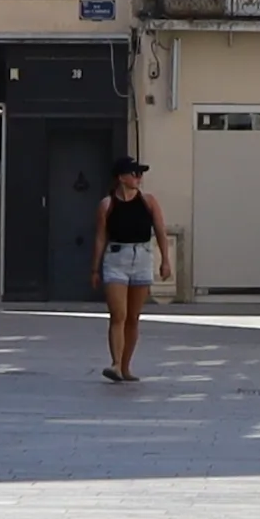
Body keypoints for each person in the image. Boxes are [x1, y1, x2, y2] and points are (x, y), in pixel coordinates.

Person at [95, 159, 170, 382]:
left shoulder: (148, 201)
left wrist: (165, 260)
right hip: (116, 258)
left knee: (133, 318)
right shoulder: (107, 204)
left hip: (142, 257)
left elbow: (160, 231)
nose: (139, 178)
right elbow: (100, 237)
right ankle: (116, 364)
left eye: (140, 174)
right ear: (121, 177)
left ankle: (126, 367)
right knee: (118, 314)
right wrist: (94, 268)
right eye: (134, 173)